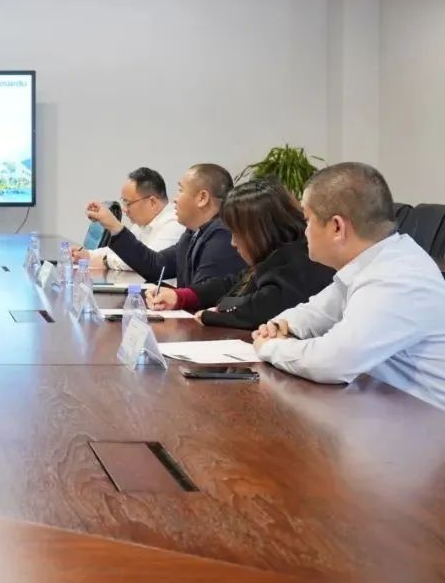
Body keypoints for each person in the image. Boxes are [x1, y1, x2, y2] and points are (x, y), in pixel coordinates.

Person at [252, 162, 445, 409]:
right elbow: (314, 312)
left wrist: (272, 347)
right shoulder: (372, 263)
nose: (305, 231)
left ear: (337, 227)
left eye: (308, 220)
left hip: (426, 424)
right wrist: (282, 327)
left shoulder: (398, 277)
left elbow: (332, 362)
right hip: (383, 410)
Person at [147, 179, 334, 329]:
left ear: (259, 232)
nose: (233, 243)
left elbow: (260, 307)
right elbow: (231, 283)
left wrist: (213, 313)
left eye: (236, 234)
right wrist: (179, 297)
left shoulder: (299, 263)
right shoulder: (275, 256)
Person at [85, 163, 245, 286]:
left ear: (202, 198)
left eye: (181, 190)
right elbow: (156, 265)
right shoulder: (192, 233)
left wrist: (174, 297)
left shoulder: (223, 234)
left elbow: (202, 295)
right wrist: (114, 227)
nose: (175, 199)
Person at [74, 167, 182, 270]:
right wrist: (88, 255)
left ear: (152, 202)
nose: (124, 209)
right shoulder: (141, 223)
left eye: (128, 203)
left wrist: (105, 261)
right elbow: (123, 251)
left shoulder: (174, 222)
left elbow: (147, 262)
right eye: (123, 202)